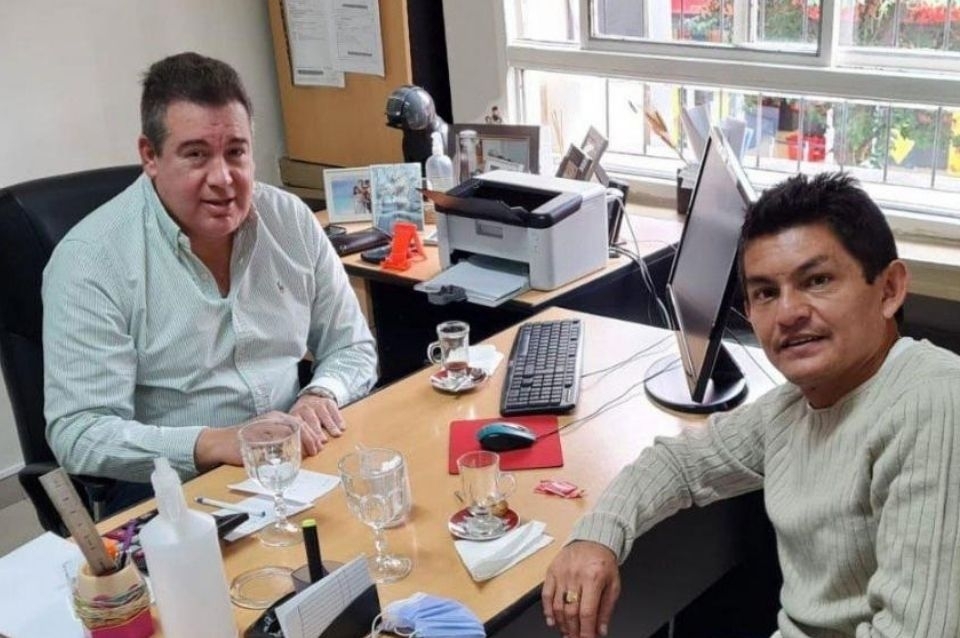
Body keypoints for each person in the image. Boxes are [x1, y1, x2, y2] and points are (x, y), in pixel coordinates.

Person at [542, 172, 960, 638]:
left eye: (817, 280)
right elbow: (679, 463)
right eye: (766, 293)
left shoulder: (934, 404)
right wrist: (597, 534)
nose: (789, 313)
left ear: (889, 289)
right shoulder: (796, 405)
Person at [43, 52, 377, 510]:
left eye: (236, 152)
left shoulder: (289, 220)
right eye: (196, 154)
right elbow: (80, 432)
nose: (223, 179)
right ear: (150, 156)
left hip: (296, 459)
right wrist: (213, 443)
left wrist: (321, 394)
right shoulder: (91, 260)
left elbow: (353, 346)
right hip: (173, 489)